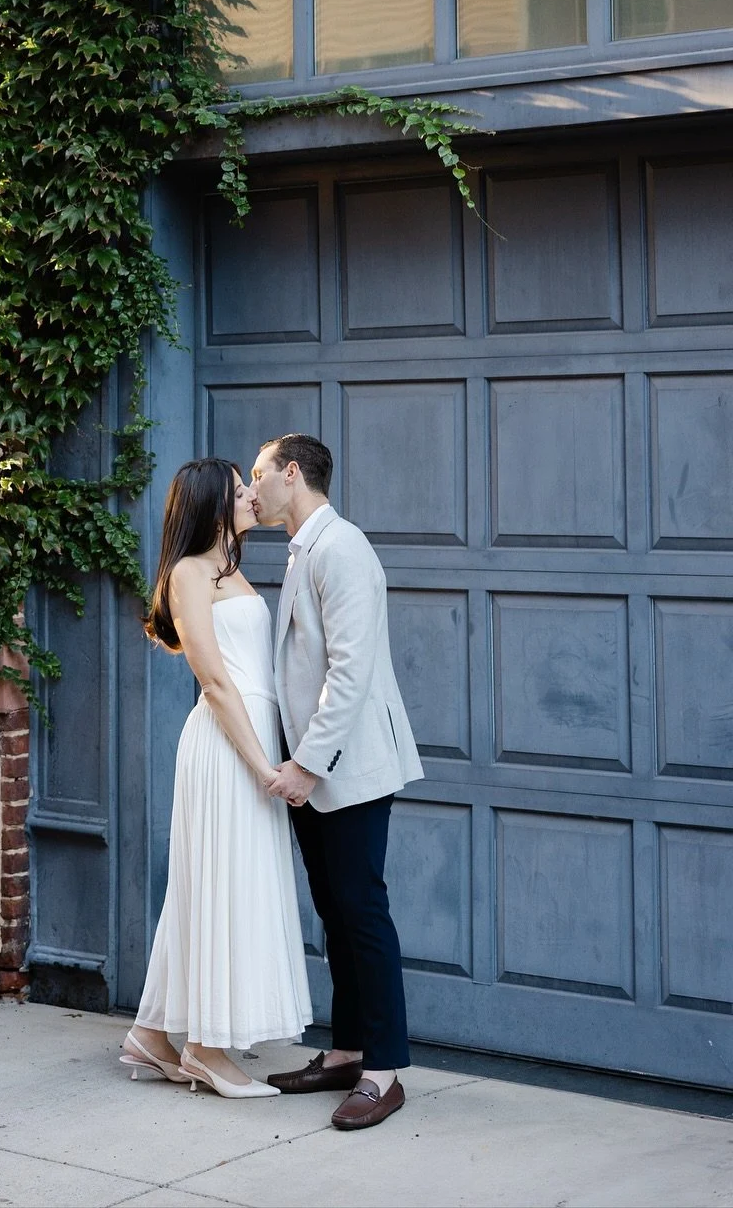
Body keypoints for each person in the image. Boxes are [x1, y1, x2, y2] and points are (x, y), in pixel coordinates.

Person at [122, 457, 312, 1098]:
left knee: (210, 886)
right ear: (208, 504)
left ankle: (152, 1035)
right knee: (220, 884)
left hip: (251, 737)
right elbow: (214, 680)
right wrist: (263, 766)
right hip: (225, 745)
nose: (250, 497)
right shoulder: (189, 572)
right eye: (237, 491)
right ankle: (205, 1049)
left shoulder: (234, 570)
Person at [253, 432, 424, 1130]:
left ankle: (383, 1072)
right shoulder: (303, 550)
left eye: (259, 473)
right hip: (314, 770)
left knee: (362, 911)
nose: (252, 486)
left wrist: (304, 763)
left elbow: (348, 673)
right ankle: (349, 1050)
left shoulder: (342, 547)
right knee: (336, 913)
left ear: (292, 474)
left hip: (345, 767)